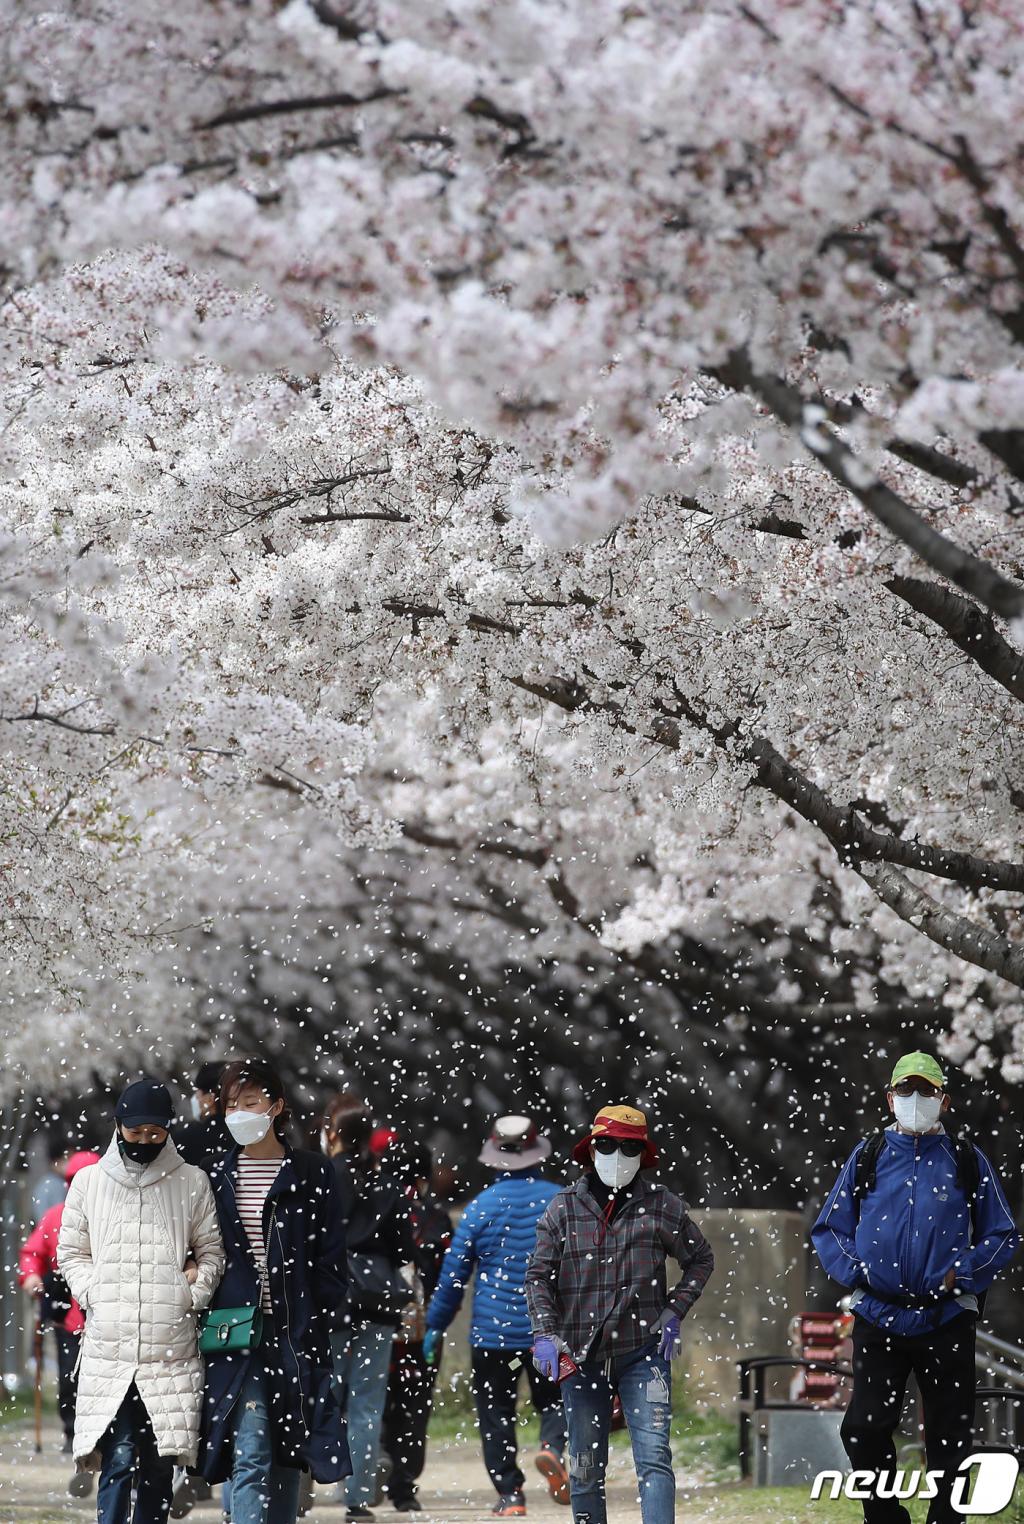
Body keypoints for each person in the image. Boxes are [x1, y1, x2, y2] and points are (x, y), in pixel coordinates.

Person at [811, 1051, 1019, 1524]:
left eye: (926, 1090)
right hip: (878, 1315)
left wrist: (963, 1272)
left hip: (946, 1318)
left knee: (951, 1436)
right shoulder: (868, 1155)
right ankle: (885, 1517)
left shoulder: (966, 1159)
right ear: (890, 1098)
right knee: (863, 1429)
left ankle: (947, 1518)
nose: (915, 1098)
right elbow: (830, 1228)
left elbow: (1002, 1233)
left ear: (944, 1100)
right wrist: (860, 1272)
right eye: (906, 1089)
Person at [525, 1103, 715, 1524]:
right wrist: (544, 1333)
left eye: (630, 1148)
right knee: (584, 1466)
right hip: (581, 1356)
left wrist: (675, 1309)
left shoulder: (662, 1206)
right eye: (608, 1145)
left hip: (643, 1352)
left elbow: (701, 1259)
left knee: (654, 1458)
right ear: (592, 1150)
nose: (618, 1156)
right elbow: (537, 1276)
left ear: (643, 1156)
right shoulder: (563, 1209)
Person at [57, 1079, 224, 1524]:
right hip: (109, 1344)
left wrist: (191, 1295)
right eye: (136, 1132)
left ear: (168, 1129)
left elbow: (211, 1251)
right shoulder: (90, 1182)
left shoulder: (192, 1182)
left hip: (170, 1346)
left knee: (158, 1460)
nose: (145, 1141)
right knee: (119, 1455)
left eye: (155, 1133)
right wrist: (92, 1291)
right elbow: (71, 1251)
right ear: (118, 1126)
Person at [198, 1058, 350, 1524]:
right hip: (235, 1333)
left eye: (250, 1102)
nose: (239, 1113)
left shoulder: (312, 1172)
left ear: (276, 1107)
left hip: (295, 1334)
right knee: (250, 1451)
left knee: (289, 1455)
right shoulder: (214, 1175)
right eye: (230, 1105)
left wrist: (313, 1311)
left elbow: (331, 1256)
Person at [425, 1115, 568, 1518]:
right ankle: (552, 1448)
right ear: (537, 1153)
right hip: (546, 1333)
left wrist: (435, 1325)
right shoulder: (562, 1202)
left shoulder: (480, 1208)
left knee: (496, 1412)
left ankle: (511, 1494)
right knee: (556, 1399)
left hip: (494, 1336)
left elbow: (454, 1276)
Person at [323, 1101, 416, 1523]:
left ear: (333, 1134)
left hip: (332, 1297)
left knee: (322, 1395)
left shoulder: (322, 1177)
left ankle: (303, 1481)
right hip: (378, 1301)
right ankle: (357, 1497)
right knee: (367, 1402)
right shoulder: (386, 1184)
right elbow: (403, 1249)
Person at [378, 1141, 453, 1514]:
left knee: (373, 1399)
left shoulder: (374, 1208)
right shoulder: (436, 1218)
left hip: (377, 1323)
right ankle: (404, 1485)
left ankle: (374, 1460)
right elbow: (446, 1276)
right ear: (423, 1175)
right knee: (414, 1406)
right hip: (422, 1330)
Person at [20, 1151, 101, 1462]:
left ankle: (102, 1434)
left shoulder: (113, 1215)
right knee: (69, 1376)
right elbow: (32, 1253)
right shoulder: (55, 1216)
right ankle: (72, 1431)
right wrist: (30, 1277)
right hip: (67, 1311)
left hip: (105, 1311)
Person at [174, 1062, 231, 1168]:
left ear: (209, 1099)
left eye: (197, 1093)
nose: (195, 1099)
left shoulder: (185, 1140)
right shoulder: (241, 1132)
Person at [31, 1137, 70, 1222]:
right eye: (68, 1158)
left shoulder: (45, 1182)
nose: (71, 1163)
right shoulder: (57, 1185)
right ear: (57, 1161)